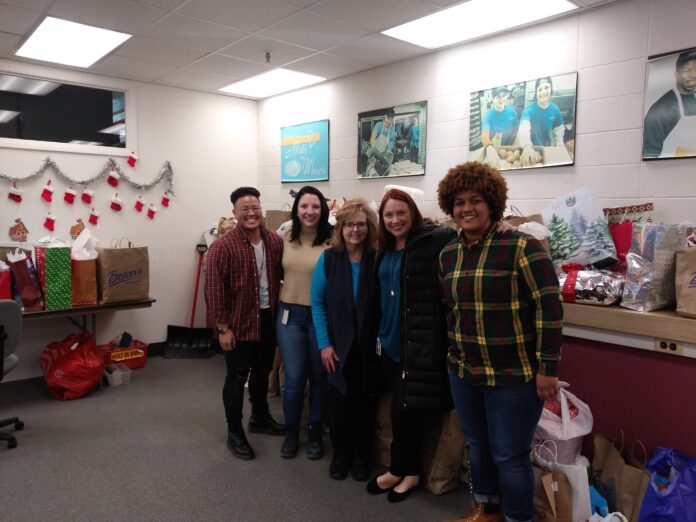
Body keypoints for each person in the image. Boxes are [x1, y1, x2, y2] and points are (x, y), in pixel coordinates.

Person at [437, 162, 563, 522]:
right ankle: (486, 508)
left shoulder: (523, 246)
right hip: (464, 372)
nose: (467, 208)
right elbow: (451, 311)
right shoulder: (448, 254)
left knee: (509, 455)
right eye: (459, 202)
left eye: (475, 199)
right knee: (477, 446)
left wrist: (548, 369)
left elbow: (549, 310)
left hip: (514, 377)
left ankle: (518, 518)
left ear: (492, 202)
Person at [366, 189, 456, 503]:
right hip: (388, 341)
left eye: (401, 213)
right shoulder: (384, 248)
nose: (395, 220)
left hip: (415, 342)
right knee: (400, 409)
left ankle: (409, 472)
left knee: (407, 410)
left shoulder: (433, 240)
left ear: (414, 212)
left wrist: (501, 225)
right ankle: (400, 468)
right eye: (388, 215)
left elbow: (463, 233)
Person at [205, 186, 285, 461]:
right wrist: (223, 328)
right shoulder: (222, 247)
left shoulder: (274, 241)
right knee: (237, 378)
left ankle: (260, 417)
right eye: (244, 209)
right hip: (238, 324)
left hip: (267, 319)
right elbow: (214, 291)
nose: (251, 213)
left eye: (255, 208)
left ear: (261, 209)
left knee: (262, 374)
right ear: (235, 213)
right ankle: (234, 431)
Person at [310, 198, 380, 481]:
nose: (355, 230)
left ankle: (362, 455)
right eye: (349, 224)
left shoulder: (378, 258)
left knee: (365, 404)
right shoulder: (329, 260)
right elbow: (317, 303)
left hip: (368, 346)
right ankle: (341, 454)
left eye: (361, 224)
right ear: (340, 228)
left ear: (369, 227)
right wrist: (324, 345)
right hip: (337, 347)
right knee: (339, 403)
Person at [276, 186, 332, 460]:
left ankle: (314, 431)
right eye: (304, 206)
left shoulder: (334, 240)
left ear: (323, 210)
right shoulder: (284, 237)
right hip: (291, 316)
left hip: (321, 317)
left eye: (316, 207)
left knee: (320, 377)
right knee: (295, 377)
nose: (310, 212)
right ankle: (290, 431)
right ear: (296, 209)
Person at [643, 50, 696, 158]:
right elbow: (649, 155)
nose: (693, 75)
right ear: (676, 74)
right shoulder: (660, 109)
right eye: (687, 70)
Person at [517, 77, 565, 166]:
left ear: (551, 89)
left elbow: (559, 130)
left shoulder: (555, 109)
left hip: (548, 149)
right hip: (532, 150)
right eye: (540, 89)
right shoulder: (529, 110)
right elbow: (524, 127)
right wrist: (527, 146)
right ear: (536, 92)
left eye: (546, 88)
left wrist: (560, 146)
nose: (543, 92)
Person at [480, 86, 519, 168]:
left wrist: (510, 145)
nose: (501, 99)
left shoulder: (512, 112)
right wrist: (489, 147)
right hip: (494, 149)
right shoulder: (488, 116)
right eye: (498, 97)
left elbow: (516, 129)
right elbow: (484, 134)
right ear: (493, 99)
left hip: (510, 148)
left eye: (503, 96)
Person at [366, 110, 396, 177]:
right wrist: (374, 149)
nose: (389, 122)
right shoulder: (379, 125)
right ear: (385, 117)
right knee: (372, 169)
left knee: (384, 172)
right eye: (388, 119)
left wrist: (387, 152)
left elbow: (391, 144)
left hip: (383, 156)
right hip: (374, 153)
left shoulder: (392, 131)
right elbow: (372, 138)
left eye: (391, 120)